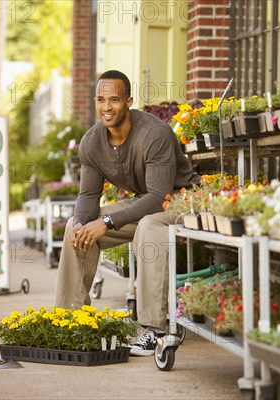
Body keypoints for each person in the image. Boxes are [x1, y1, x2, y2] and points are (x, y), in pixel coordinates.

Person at [55, 70, 200, 356]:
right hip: (147, 203)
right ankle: (69, 322)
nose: (106, 107)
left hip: (183, 202)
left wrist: (107, 222)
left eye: (114, 99)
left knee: (149, 227)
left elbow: (159, 198)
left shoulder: (155, 134)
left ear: (129, 101)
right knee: (77, 227)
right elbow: (88, 195)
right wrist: (84, 222)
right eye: (101, 99)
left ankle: (156, 328)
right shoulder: (92, 142)